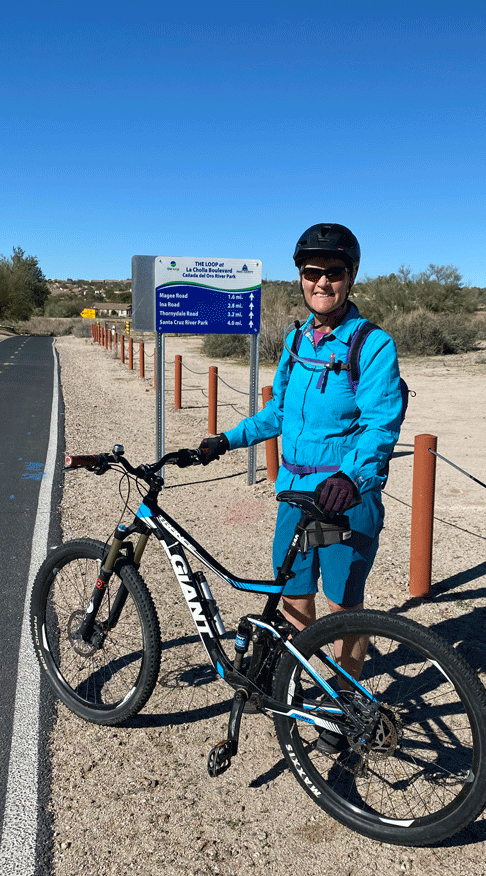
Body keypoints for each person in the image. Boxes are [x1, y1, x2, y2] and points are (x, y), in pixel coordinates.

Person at [199, 224, 404, 753]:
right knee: (293, 600)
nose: (322, 282)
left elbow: (382, 425)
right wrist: (225, 439)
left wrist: (353, 478)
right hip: (294, 495)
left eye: (333, 273)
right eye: (312, 273)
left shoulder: (372, 346)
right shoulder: (295, 340)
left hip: (343, 500)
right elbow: (278, 414)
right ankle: (295, 689)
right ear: (301, 279)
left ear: (350, 277)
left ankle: (346, 705)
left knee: (344, 609)